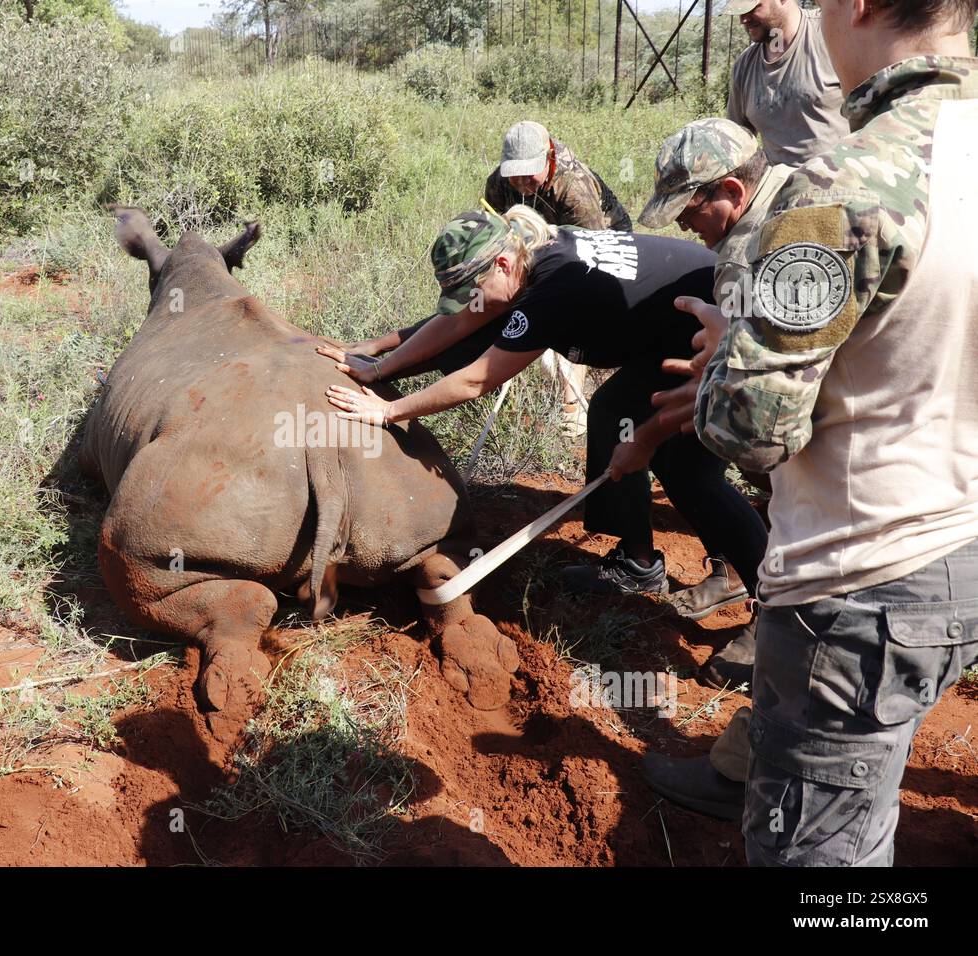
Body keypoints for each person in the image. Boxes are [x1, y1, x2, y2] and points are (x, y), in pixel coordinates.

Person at [674, 0, 978, 863]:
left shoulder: (845, 182)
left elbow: (750, 428)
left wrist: (724, 354)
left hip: (864, 578)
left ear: (863, 6)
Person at [316, 207, 768, 606]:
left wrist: (389, 412)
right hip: (678, 327)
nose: (472, 306)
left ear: (502, 264)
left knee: (682, 467)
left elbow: (477, 379)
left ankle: (771, 602)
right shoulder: (531, 252)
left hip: (712, 332)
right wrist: (378, 365)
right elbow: (458, 322)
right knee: (617, 416)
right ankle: (648, 563)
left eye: (473, 290)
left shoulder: (555, 287)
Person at [636, 117, 795, 690]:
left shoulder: (759, 248)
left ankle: (780, 631)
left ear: (731, 190)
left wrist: (700, 399)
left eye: (688, 211)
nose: (683, 226)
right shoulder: (797, 191)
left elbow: (764, 402)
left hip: (823, 426)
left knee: (792, 502)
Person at [722, 0, 850, 166]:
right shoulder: (744, 66)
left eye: (752, 8)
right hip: (778, 188)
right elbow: (736, 140)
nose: (743, 20)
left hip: (841, 184)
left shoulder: (832, 32)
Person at [484, 120, 633, 232]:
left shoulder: (574, 190)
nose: (522, 181)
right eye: (515, 172)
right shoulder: (498, 183)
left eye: (530, 172)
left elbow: (592, 248)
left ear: (549, 158)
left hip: (606, 236)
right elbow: (492, 232)